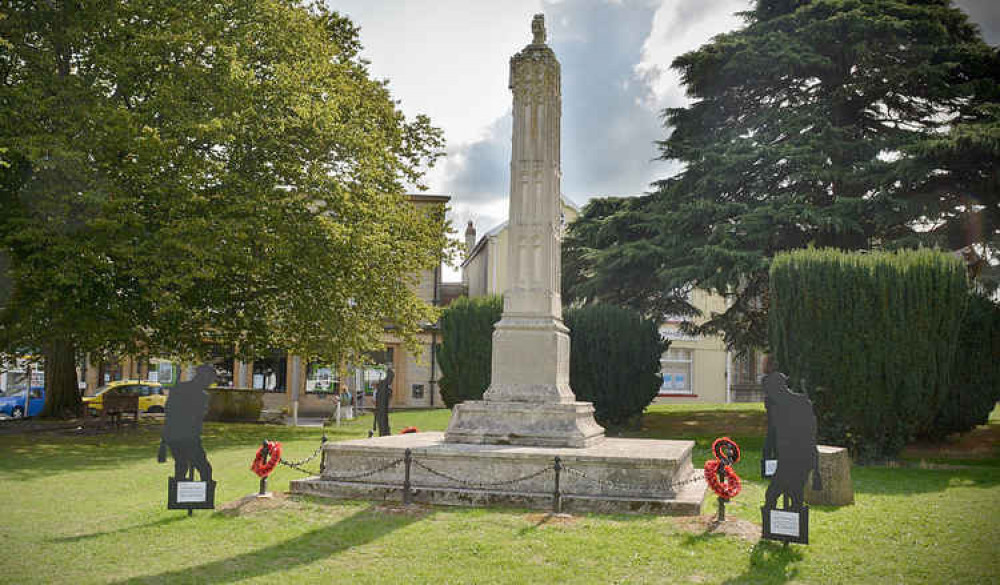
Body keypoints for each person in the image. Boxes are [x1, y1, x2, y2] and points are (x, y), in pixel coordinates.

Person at [157, 364, 214, 482]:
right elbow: (171, 413)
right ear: (202, 377)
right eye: (209, 380)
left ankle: (181, 496)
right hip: (186, 437)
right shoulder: (200, 396)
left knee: (182, 467)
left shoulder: (180, 388)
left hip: (178, 437)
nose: (209, 383)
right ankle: (201, 497)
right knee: (204, 469)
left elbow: (169, 412)